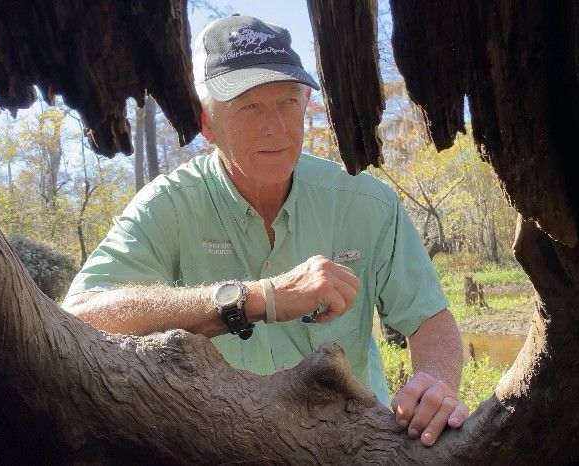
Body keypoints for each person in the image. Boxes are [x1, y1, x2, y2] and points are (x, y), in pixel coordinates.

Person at [63, 14, 466, 447]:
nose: (274, 126)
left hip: (354, 448)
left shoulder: (366, 203)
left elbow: (429, 319)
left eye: (288, 101)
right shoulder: (169, 207)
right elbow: (80, 316)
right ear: (207, 125)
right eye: (249, 106)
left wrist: (436, 383)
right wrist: (256, 298)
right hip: (220, 448)